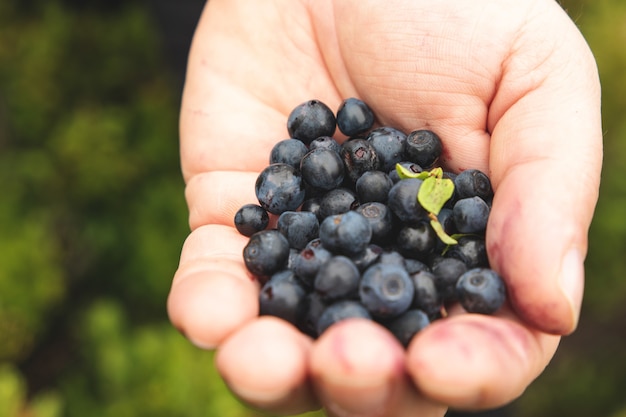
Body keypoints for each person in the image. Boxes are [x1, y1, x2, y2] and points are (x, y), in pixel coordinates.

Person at [166, 1, 602, 416]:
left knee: (452, 372)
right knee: (420, 373)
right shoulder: (319, 198)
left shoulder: (418, 202)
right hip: (228, 30)